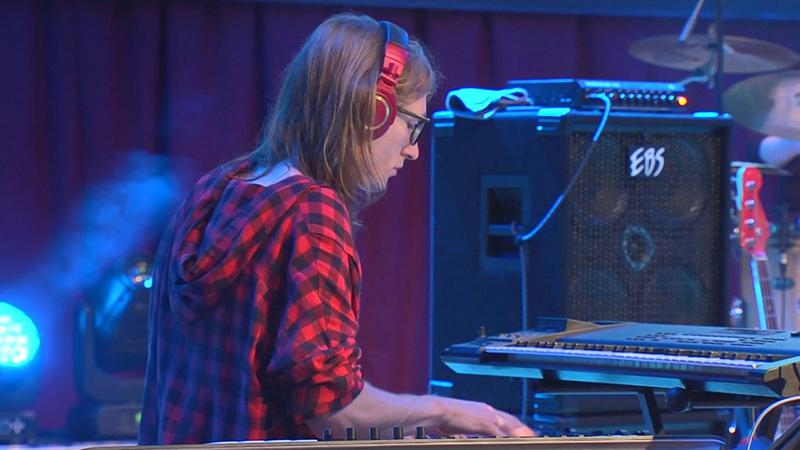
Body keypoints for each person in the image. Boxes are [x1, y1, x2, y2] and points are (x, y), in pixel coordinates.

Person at [137, 12, 533, 445]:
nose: (414, 151)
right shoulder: (312, 214)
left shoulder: (214, 190)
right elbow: (334, 412)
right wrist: (449, 411)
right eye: (412, 126)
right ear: (372, 111)